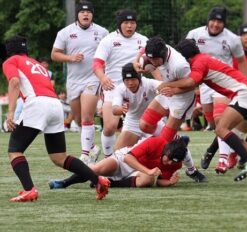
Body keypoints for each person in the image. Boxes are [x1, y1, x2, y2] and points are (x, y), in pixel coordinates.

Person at [2, 35, 110, 202]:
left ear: (8, 51)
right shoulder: (37, 64)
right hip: (55, 105)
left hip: (37, 104)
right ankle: (98, 180)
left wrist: (10, 112)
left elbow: (14, 82)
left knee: (15, 151)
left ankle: (29, 189)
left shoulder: (11, 61)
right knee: (59, 157)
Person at [159, 39, 247, 185]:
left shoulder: (199, 62)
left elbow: (190, 82)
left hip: (244, 95)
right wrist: (174, 90)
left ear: (186, 57)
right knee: (236, 138)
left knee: (221, 129)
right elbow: (192, 84)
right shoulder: (203, 59)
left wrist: (166, 84)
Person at [134, 37, 207, 182]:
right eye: (151, 59)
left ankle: (191, 170)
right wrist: (138, 62)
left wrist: (173, 90)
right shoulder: (157, 49)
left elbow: (192, 85)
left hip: (181, 98)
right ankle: (178, 140)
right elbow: (142, 52)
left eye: (155, 60)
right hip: (168, 90)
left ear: (163, 54)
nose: (153, 63)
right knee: (145, 125)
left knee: (164, 144)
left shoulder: (180, 65)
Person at [186, 6, 247, 173]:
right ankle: (216, 150)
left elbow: (242, 61)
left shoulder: (232, 39)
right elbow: (186, 56)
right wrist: (190, 82)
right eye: (213, 20)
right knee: (215, 124)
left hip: (224, 82)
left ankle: (223, 160)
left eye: (219, 22)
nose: (215, 24)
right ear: (208, 20)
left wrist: (243, 84)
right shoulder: (195, 34)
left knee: (221, 119)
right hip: (204, 84)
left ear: (224, 24)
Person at [51, 1, 108, 164]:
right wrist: (70, 58)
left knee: (87, 117)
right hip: (73, 81)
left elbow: (110, 53)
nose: (86, 15)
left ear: (92, 15)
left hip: (93, 78)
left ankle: (85, 155)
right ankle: (93, 148)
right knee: (77, 118)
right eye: (83, 12)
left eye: (89, 12)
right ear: (77, 15)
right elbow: (54, 54)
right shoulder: (65, 32)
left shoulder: (102, 32)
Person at [93, 9, 150, 159]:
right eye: (126, 23)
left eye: (132, 23)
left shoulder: (143, 40)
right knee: (110, 126)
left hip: (138, 88)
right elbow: (97, 64)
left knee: (147, 126)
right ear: (120, 24)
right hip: (113, 87)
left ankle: (139, 157)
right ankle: (107, 158)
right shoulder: (108, 40)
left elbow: (153, 64)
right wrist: (102, 78)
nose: (129, 26)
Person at [49, 136, 187, 189]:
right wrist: (148, 170)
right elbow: (128, 158)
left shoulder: (176, 163)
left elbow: (159, 182)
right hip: (124, 160)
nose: (168, 163)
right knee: (97, 169)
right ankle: (64, 183)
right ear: (167, 149)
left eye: (172, 162)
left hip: (137, 171)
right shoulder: (156, 142)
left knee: (148, 180)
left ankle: (109, 184)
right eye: (168, 158)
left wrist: (169, 182)